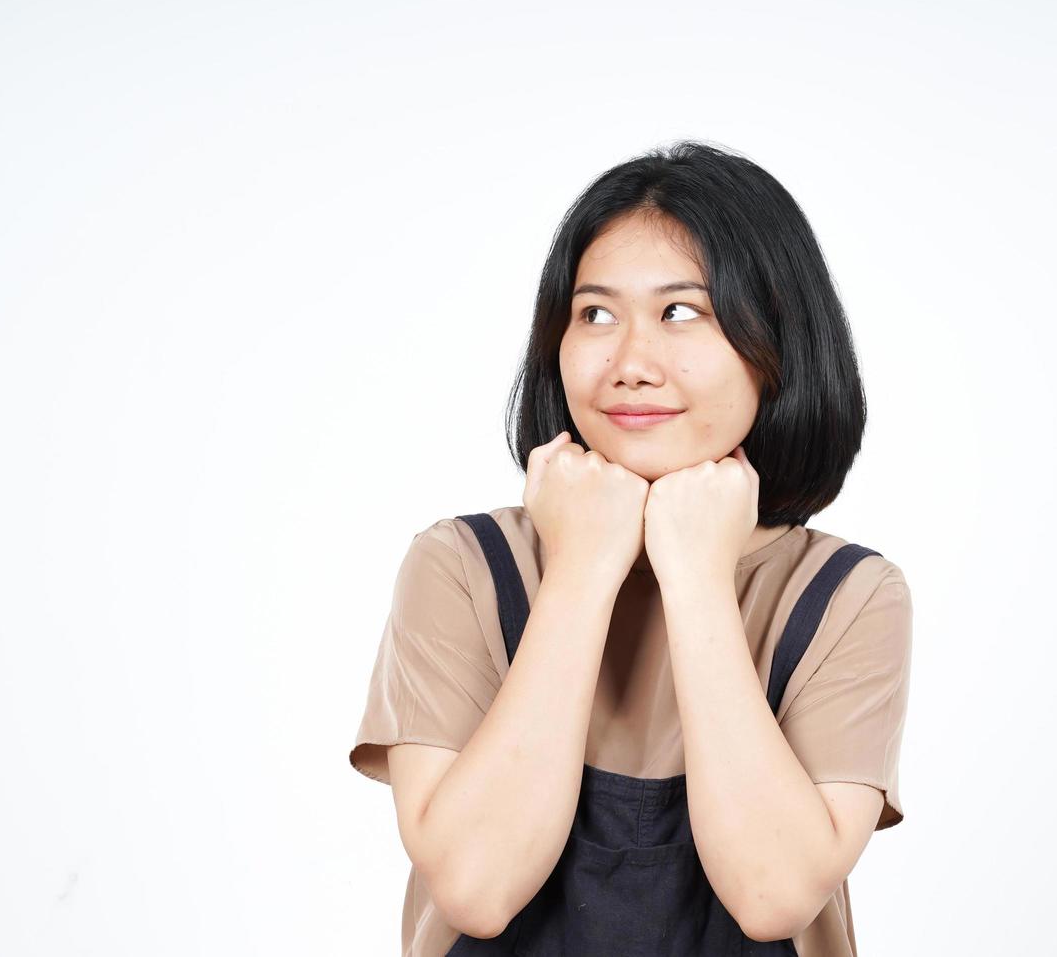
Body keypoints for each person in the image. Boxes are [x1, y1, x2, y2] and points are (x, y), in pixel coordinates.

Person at [347, 140, 913, 956]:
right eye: (595, 314)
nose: (630, 364)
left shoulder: (847, 595)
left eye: (682, 312)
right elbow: (476, 885)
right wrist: (580, 569)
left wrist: (694, 574)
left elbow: (773, 894)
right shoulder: (462, 568)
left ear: (777, 346)